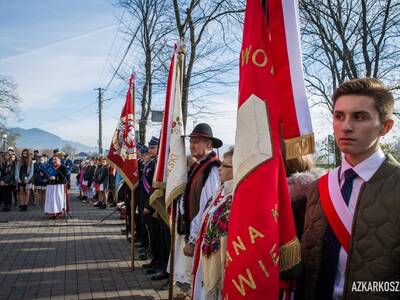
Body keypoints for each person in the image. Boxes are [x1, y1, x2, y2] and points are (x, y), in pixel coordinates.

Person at [301, 78, 400, 300]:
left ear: (385, 127)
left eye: (360, 117)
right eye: (339, 116)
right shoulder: (318, 188)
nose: (346, 126)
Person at [173, 123, 222, 288]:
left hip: (202, 235)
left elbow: (208, 208)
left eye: (196, 142)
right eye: (191, 141)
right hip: (193, 230)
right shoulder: (199, 166)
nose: (192, 146)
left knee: (200, 279)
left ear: (208, 144)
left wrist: (193, 240)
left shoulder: (212, 169)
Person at [192, 147, 234, 300]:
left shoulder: (236, 198)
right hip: (206, 256)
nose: (220, 169)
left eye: (226, 166)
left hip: (220, 263)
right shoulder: (220, 193)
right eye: (221, 164)